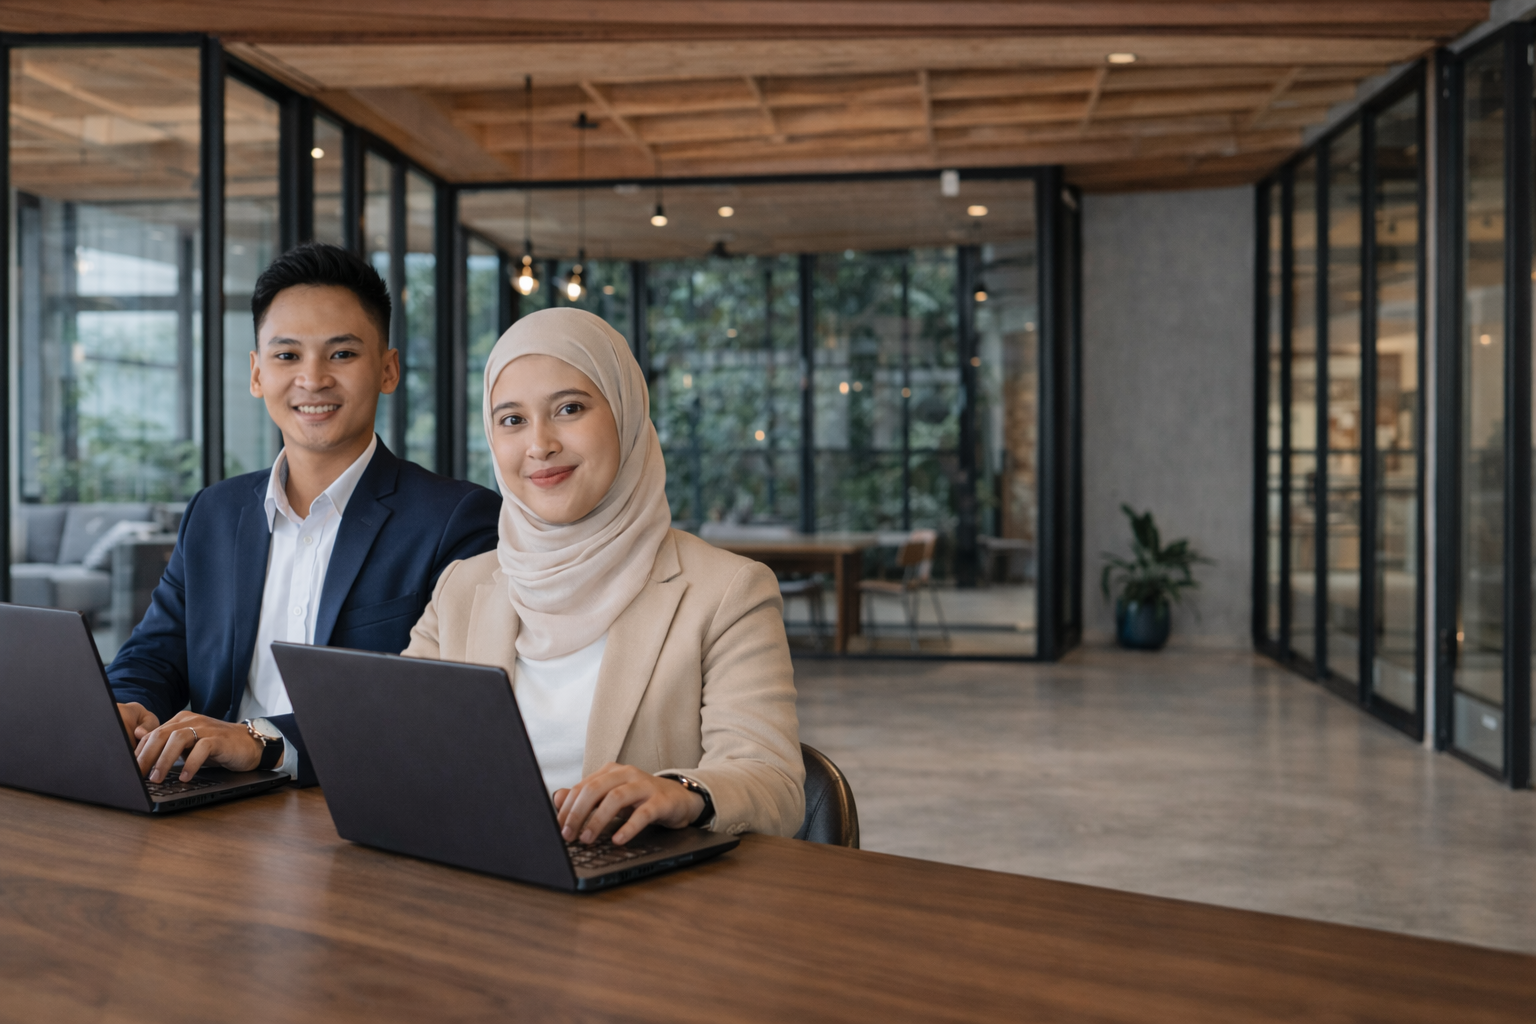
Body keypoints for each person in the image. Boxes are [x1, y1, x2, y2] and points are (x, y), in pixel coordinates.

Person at [403, 307, 804, 845]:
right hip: (480, 885)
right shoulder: (461, 589)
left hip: (645, 902)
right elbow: (397, 746)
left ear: (625, 413)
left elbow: (773, 783)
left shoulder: (728, 592)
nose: (539, 444)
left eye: (569, 409)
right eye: (512, 419)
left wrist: (683, 792)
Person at [110, 243, 501, 787]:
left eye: (341, 354)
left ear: (388, 369)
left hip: (363, 806)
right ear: (256, 374)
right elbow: (156, 652)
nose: (312, 379)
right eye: (287, 355)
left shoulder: (458, 520)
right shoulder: (214, 513)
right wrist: (127, 705)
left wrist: (263, 741)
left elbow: (434, 702)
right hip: (208, 805)